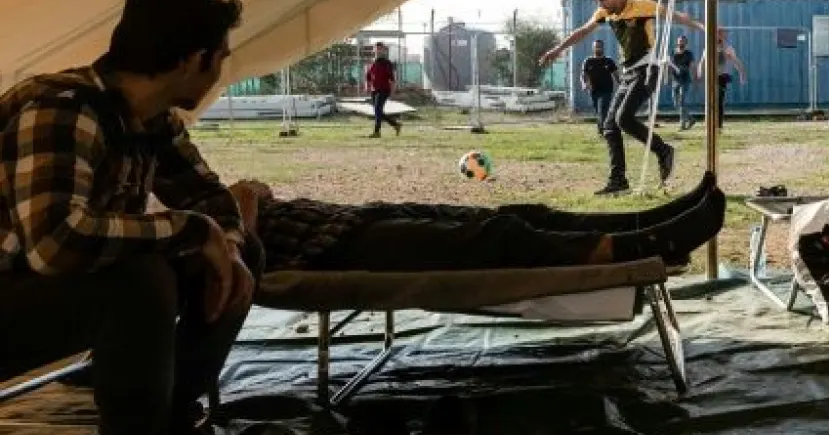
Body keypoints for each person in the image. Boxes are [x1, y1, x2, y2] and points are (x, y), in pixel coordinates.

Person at [0, 0, 273, 435]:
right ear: (196, 59)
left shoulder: (151, 120)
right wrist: (194, 231)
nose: (219, 69)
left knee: (236, 256)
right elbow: (55, 243)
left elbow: (205, 195)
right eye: (220, 57)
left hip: (34, 289)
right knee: (139, 278)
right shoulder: (60, 108)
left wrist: (230, 245)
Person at [230, 172, 725, 274]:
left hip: (359, 218)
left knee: (518, 216)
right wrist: (244, 199)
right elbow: (241, 212)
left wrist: (247, 196)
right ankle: (648, 246)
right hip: (333, 247)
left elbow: (252, 190)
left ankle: (649, 221)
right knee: (497, 237)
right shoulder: (169, 212)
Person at [540, 0, 704, 195]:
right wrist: (558, 49)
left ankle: (663, 150)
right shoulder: (605, 13)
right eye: (598, 0)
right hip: (628, 74)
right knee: (610, 126)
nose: (601, 5)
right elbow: (583, 31)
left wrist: (704, 28)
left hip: (647, 70)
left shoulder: (642, 5)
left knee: (623, 119)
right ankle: (618, 181)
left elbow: (677, 16)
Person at [697, 29, 748, 130]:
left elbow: (735, 62)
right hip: (710, 77)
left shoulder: (728, 48)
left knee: (719, 101)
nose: (719, 37)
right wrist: (700, 72)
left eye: (721, 35)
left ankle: (718, 126)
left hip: (721, 77)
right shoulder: (708, 48)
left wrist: (742, 73)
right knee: (710, 101)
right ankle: (710, 123)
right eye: (717, 35)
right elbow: (702, 62)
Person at [580, 40, 618, 136]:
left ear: (603, 47)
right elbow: (583, 75)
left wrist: (623, 85)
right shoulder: (588, 61)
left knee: (602, 110)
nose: (598, 48)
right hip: (594, 91)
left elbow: (616, 76)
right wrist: (584, 84)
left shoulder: (609, 61)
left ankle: (604, 131)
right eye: (596, 46)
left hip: (607, 90)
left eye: (599, 46)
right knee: (599, 111)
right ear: (593, 48)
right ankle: (603, 129)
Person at [366, 42, 401, 137]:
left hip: (384, 89)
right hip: (374, 90)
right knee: (378, 111)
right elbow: (368, 77)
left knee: (378, 110)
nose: (378, 51)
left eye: (380, 49)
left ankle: (377, 132)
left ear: (383, 50)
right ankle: (396, 125)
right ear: (374, 50)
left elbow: (392, 79)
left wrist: (393, 92)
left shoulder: (387, 63)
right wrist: (367, 87)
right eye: (376, 49)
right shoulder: (371, 63)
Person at [669, 36, 696, 131]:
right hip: (675, 80)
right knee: (676, 103)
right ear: (677, 42)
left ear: (686, 43)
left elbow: (692, 66)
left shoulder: (689, 54)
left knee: (681, 102)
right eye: (680, 41)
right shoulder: (673, 52)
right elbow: (669, 64)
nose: (681, 43)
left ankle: (682, 124)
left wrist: (694, 77)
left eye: (683, 42)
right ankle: (691, 119)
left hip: (685, 80)